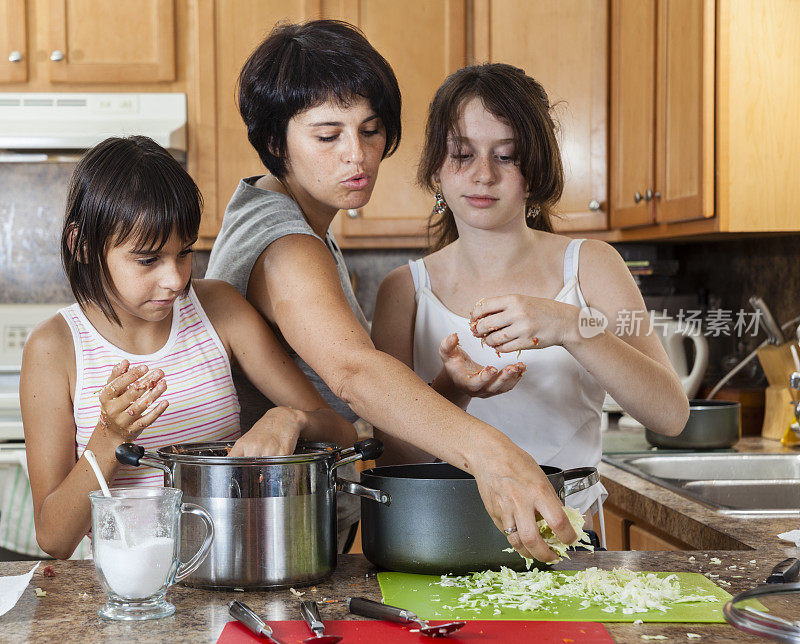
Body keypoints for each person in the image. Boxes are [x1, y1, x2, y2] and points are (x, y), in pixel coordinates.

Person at [205, 19, 576, 562]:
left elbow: (357, 416)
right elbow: (354, 373)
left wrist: (447, 390)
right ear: (273, 141)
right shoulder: (286, 243)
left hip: (284, 530)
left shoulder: (276, 213)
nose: (356, 154)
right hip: (272, 539)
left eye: (371, 130)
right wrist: (492, 454)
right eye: (328, 135)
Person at [370, 63, 690, 535]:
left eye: (507, 156)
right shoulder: (403, 290)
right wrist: (454, 387)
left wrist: (568, 326)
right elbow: (394, 457)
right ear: (436, 168)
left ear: (536, 170)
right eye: (462, 153)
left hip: (570, 534)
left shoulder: (592, 264)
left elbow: (670, 415)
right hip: (442, 534)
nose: (483, 176)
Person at [20, 136, 357, 560]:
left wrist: (288, 418)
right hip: (125, 587)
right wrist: (111, 438)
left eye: (184, 253)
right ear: (81, 245)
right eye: (147, 260)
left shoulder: (219, 310)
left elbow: (341, 431)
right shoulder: (54, 348)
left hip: (237, 565)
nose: (176, 280)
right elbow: (54, 538)